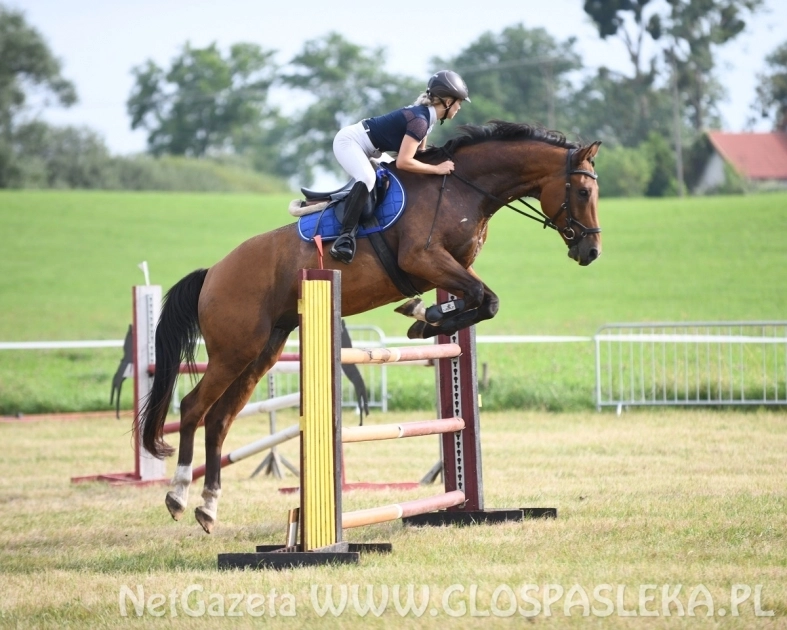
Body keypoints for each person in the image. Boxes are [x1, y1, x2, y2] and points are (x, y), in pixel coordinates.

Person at [329, 70, 470, 264]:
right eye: (458, 102)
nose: (459, 107)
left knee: (391, 176)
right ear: (447, 102)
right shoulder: (420, 121)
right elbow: (405, 161)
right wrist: (437, 169)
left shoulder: (426, 119)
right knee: (368, 178)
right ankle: (344, 238)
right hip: (350, 142)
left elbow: (418, 154)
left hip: (371, 150)